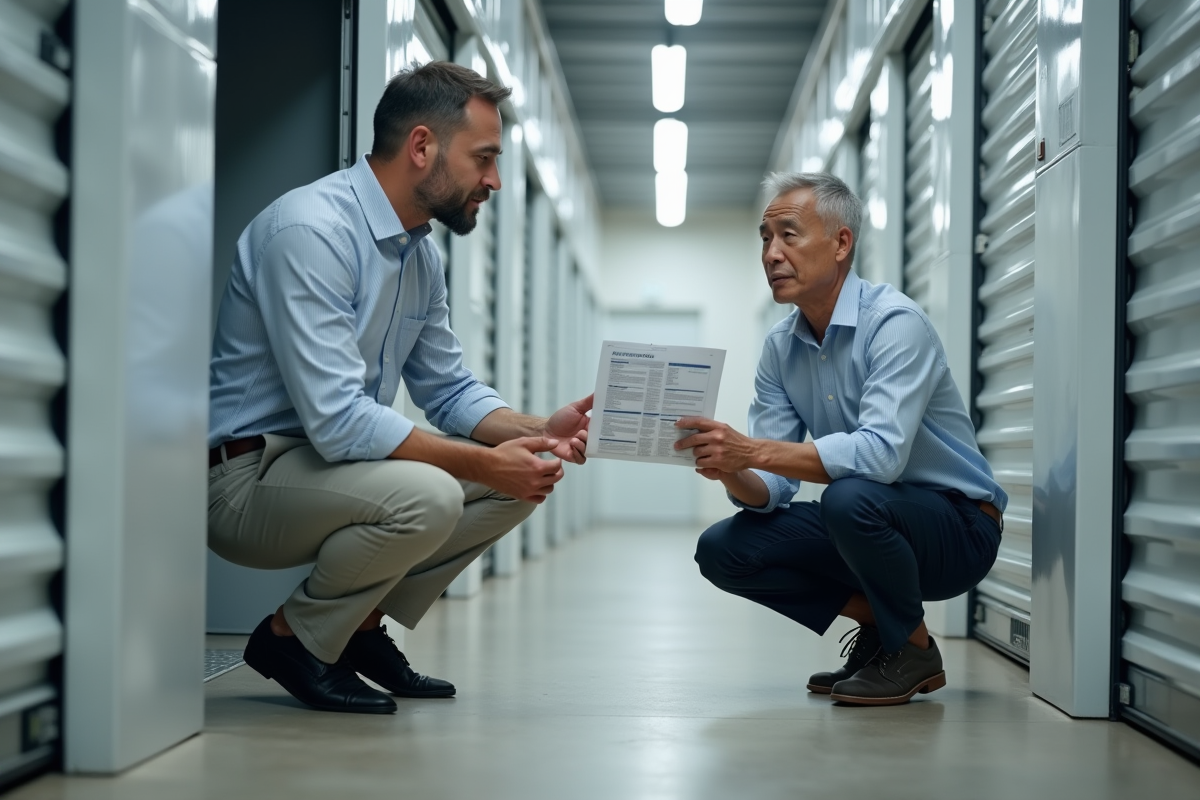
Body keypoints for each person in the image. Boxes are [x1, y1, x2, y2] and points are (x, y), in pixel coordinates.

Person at [207, 61, 592, 715]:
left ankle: (356, 628)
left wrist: (537, 433)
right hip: (243, 484)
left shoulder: (420, 255)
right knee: (436, 492)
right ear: (422, 147)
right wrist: (483, 461)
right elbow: (340, 422)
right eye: (485, 159)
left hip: (323, 470)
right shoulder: (312, 232)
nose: (494, 181)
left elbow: (447, 388)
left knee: (524, 478)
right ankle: (291, 639)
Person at [675, 172, 1004, 706]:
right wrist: (730, 466)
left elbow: (880, 457)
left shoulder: (894, 323)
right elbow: (772, 489)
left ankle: (912, 649)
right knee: (723, 549)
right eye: (764, 237)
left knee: (850, 496)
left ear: (841, 244)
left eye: (788, 234)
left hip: (958, 528)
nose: (771, 254)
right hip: (870, 522)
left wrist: (751, 449)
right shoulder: (781, 348)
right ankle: (888, 629)